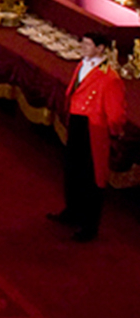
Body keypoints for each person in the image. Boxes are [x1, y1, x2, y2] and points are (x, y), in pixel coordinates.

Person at [49, 33, 126, 241]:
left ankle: (89, 226)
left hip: (93, 129)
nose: (82, 47)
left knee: (91, 178)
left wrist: (114, 131)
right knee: (72, 169)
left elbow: (116, 114)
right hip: (77, 122)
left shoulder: (110, 78)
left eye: (87, 44)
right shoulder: (83, 65)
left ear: (100, 48)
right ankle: (72, 211)